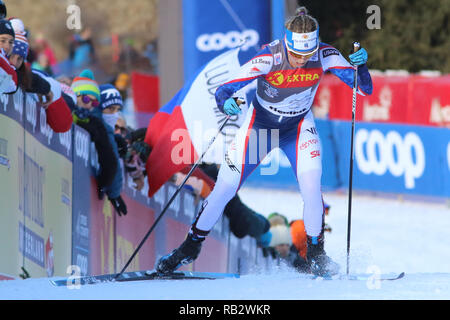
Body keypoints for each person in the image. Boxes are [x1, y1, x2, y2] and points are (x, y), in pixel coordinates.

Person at [156, 6, 372, 277]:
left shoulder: (325, 54)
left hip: (298, 128)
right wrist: (228, 104)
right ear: (286, 44)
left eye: (307, 55)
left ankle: (317, 255)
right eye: (295, 54)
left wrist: (360, 65)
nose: (301, 61)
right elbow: (225, 90)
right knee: (224, 188)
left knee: (311, 186)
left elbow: (362, 87)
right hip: (260, 127)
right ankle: (188, 248)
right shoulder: (269, 57)